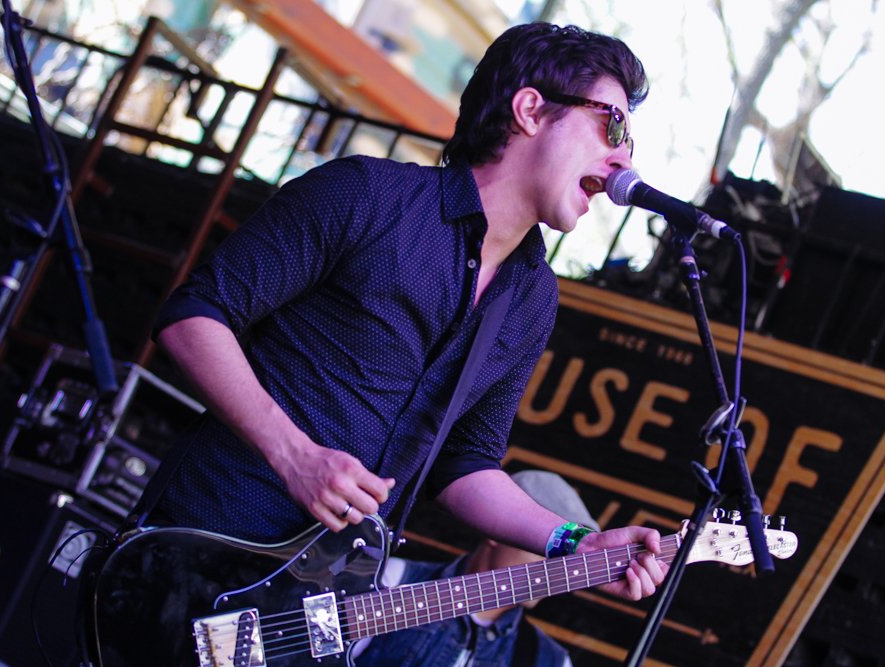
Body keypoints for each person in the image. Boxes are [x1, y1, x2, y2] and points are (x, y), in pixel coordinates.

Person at [146, 21, 666, 606]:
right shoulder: (366, 194)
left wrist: (576, 543)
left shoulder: (533, 297)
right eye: (611, 124)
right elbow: (192, 316)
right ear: (529, 111)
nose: (623, 158)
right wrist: (294, 456)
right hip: (198, 547)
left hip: (310, 605)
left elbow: (464, 464)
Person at [352, 469, 600, 667]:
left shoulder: (550, 660)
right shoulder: (393, 580)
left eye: (565, 559)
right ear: (496, 532)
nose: (555, 569)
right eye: (547, 549)